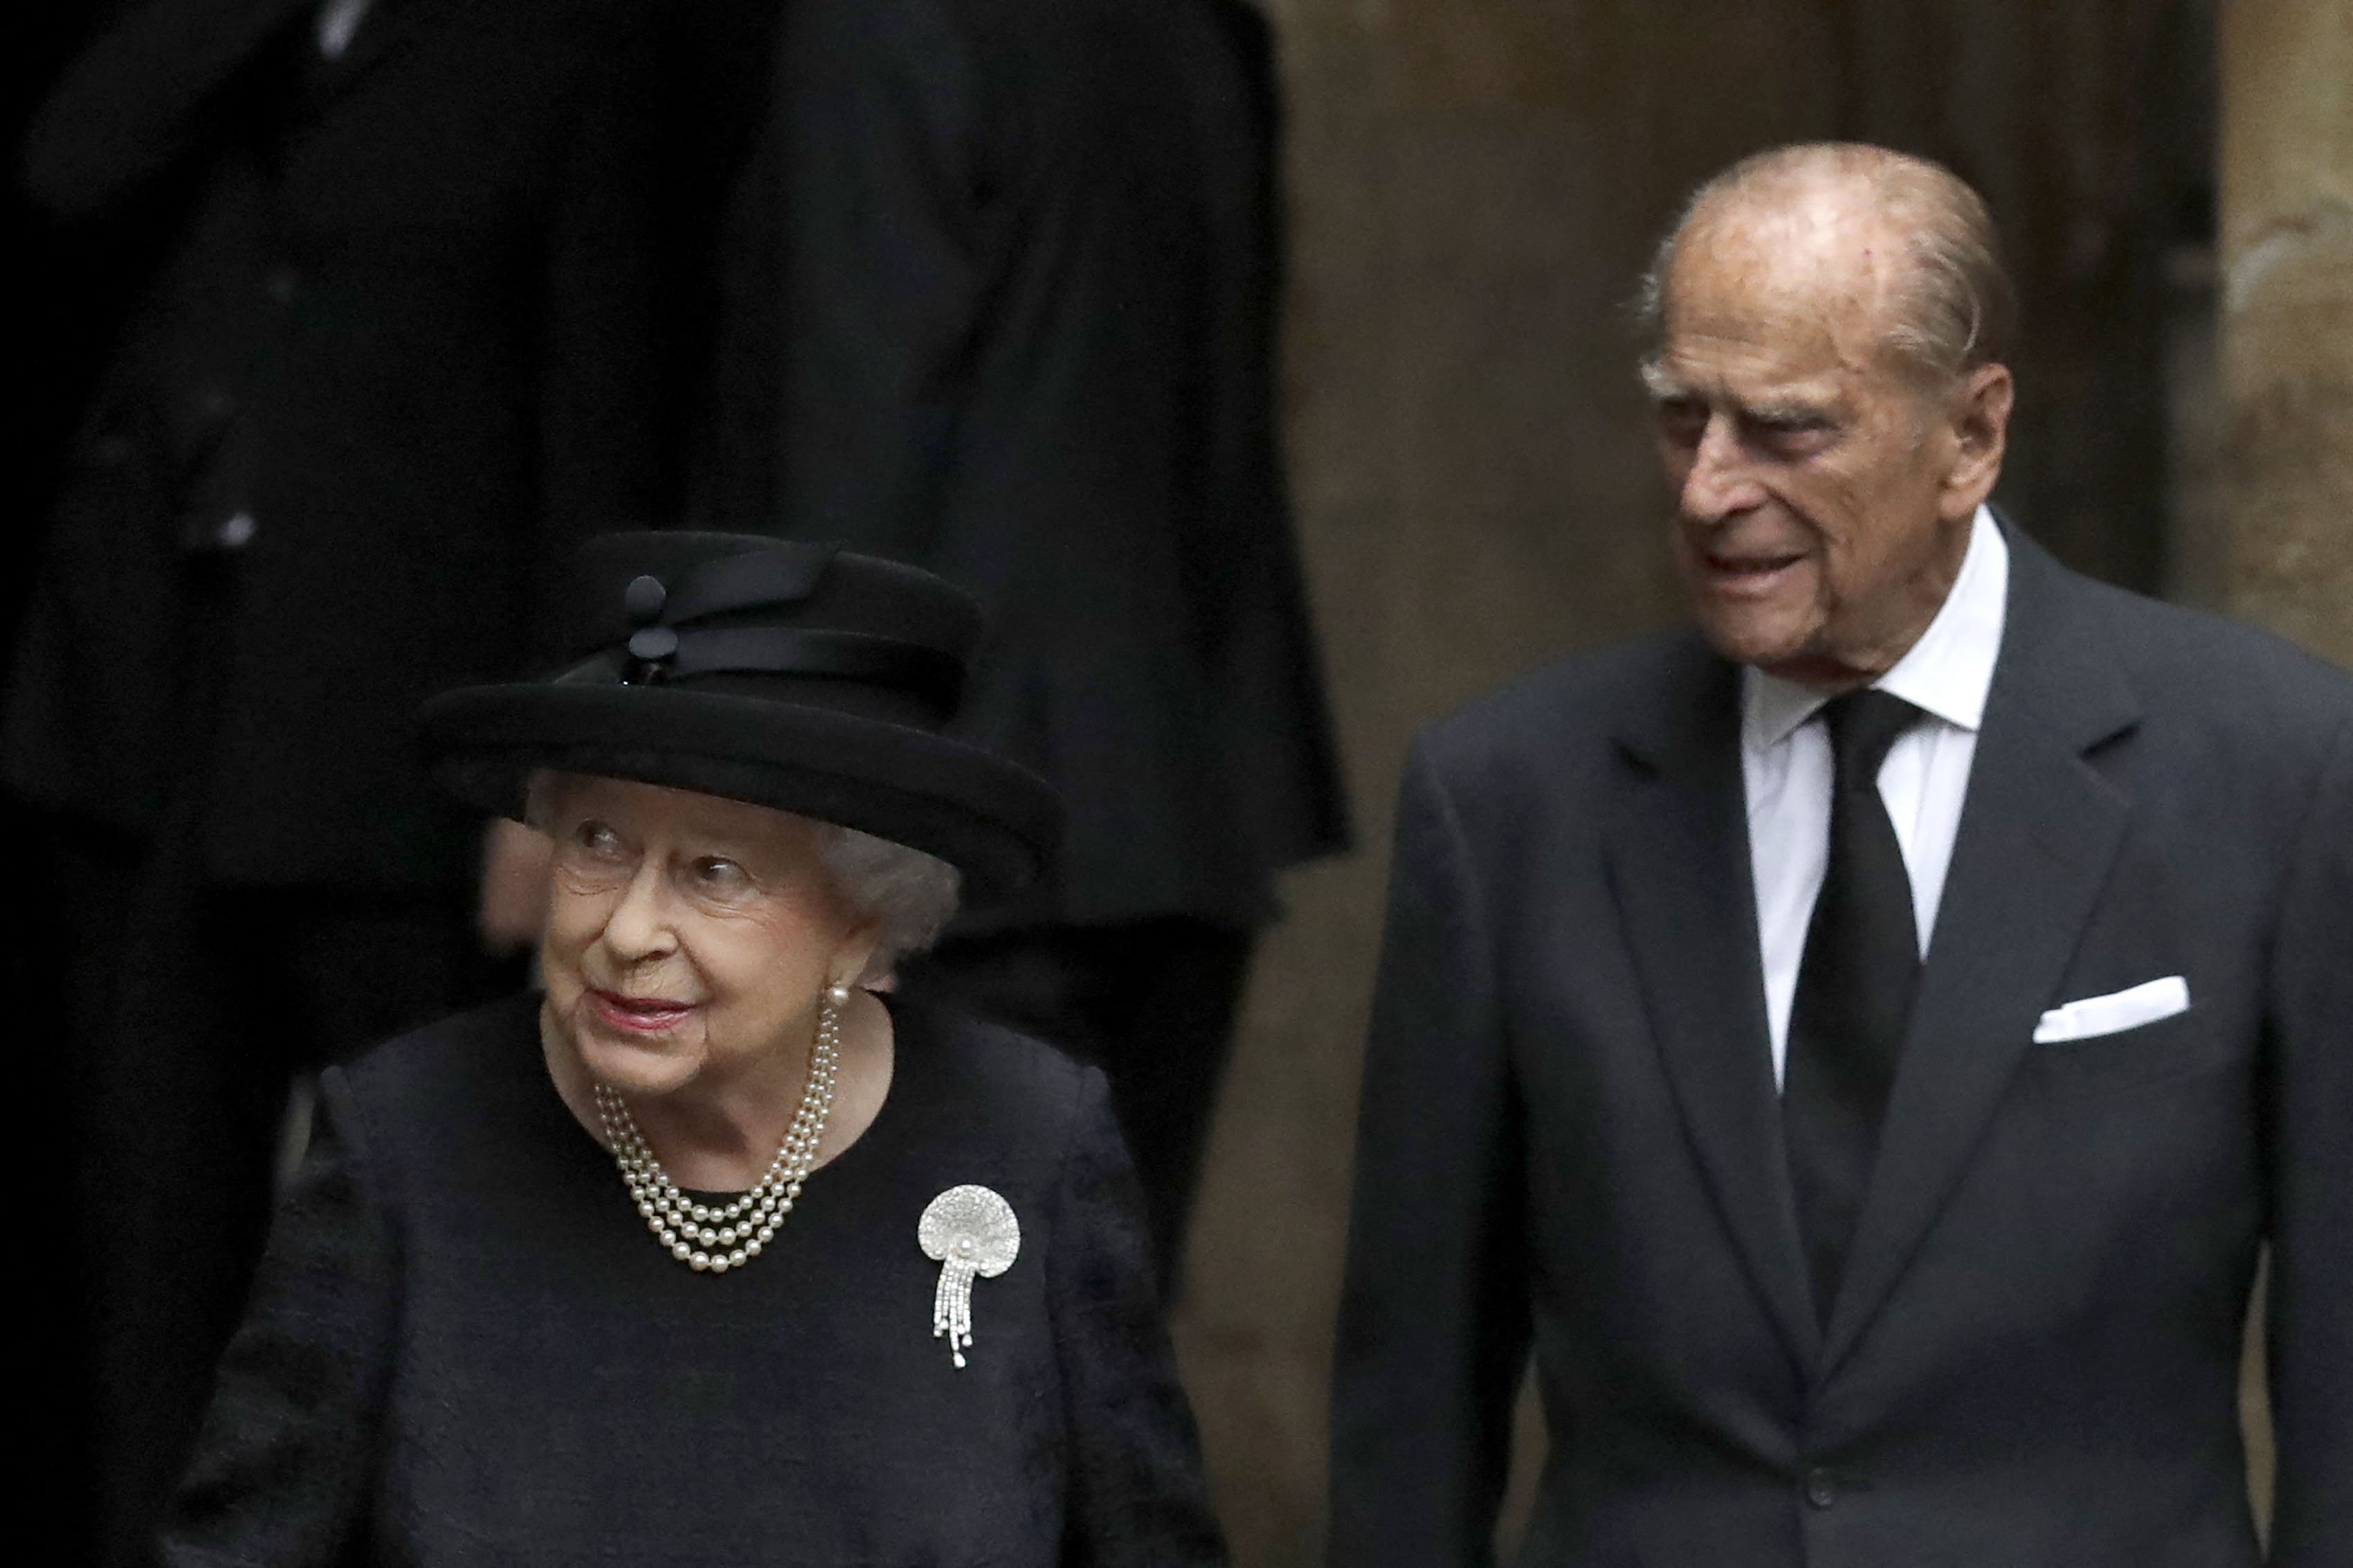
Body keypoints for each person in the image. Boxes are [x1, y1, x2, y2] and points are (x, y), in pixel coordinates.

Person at [1329, 143, 2351, 1566]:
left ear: (1969, 437)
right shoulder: (1507, 798)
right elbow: (1410, 1392)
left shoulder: (2274, 769)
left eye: (1785, 430)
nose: (1704, 490)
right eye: (1680, 419)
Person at [158, 531, 1227, 1566]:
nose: (626, 930)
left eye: (714, 871)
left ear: (864, 917)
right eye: (598, 843)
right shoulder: (404, 1146)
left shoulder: (1031, 1142)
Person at [6, 3, 710, 1557]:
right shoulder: (240, 54)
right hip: (163, 731)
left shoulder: (565, 49)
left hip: (401, 758)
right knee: (153, 1254)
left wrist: (561, 772)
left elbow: (604, 413)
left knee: (432, 1249)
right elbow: (68, 167)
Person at [695, 0, 1350, 1284]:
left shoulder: (885, 27)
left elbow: (856, 447)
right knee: (1087, 1381)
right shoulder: (1201, 26)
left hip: (955, 830)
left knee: (926, 1390)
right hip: (1176, 807)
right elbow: (1222, 425)